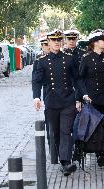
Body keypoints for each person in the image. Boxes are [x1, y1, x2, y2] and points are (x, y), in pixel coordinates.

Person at [32, 29, 81, 176]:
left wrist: (80, 96)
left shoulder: (69, 58)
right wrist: (36, 97)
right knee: (56, 133)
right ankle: (63, 160)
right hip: (52, 101)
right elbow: (36, 81)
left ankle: (66, 162)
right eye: (54, 40)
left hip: (68, 100)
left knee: (66, 131)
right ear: (49, 42)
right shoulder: (41, 61)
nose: (57, 42)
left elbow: (77, 79)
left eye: (59, 40)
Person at [77, 29, 104, 167]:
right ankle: (98, 151)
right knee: (96, 126)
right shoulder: (86, 58)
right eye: (103, 40)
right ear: (95, 43)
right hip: (92, 99)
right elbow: (80, 79)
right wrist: (81, 96)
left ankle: (103, 149)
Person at [32, 37, 51, 148]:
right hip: (47, 90)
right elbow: (36, 80)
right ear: (42, 46)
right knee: (49, 118)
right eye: (45, 45)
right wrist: (36, 96)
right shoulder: (39, 60)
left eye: (48, 44)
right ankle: (50, 141)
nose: (47, 47)